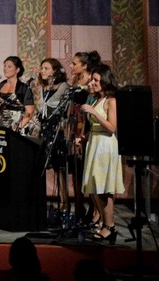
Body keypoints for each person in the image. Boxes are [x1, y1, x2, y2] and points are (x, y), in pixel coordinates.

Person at [78, 65, 124, 243]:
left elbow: (112, 127)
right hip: (95, 144)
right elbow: (96, 127)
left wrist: (93, 112)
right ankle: (105, 224)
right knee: (95, 187)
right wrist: (83, 138)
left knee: (104, 188)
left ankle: (110, 226)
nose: (93, 83)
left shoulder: (111, 101)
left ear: (105, 80)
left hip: (105, 146)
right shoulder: (97, 99)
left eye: (96, 80)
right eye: (92, 79)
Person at [33, 58, 70, 220]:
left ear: (54, 71)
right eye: (42, 68)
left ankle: (64, 202)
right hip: (45, 129)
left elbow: (66, 110)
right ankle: (40, 202)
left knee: (59, 167)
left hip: (57, 130)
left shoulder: (63, 87)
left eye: (46, 68)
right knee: (42, 164)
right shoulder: (44, 88)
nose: (42, 70)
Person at [68, 50, 100, 223]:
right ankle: (79, 206)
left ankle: (95, 209)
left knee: (89, 169)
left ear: (85, 66)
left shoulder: (91, 82)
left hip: (86, 125)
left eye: (75, 63)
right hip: (74, 125)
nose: (71, 66)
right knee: (77, 170)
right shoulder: (75, 80)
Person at [0, 56, 36, 135]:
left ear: (17, 70)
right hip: (0, 126)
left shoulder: (24, 89)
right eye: (4, 66)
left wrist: (19, 128)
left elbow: (29, 112)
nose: (5, 69)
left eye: (9, 67)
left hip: (17, 127)